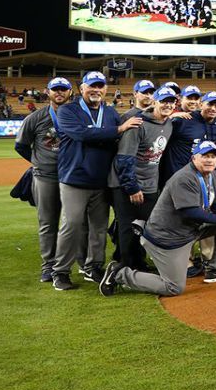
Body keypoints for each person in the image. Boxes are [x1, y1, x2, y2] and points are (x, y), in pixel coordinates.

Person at [98, 141, 216, 297]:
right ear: (194, 158)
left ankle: (215, 269)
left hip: (189, 231)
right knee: (174, 287)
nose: (209, 160)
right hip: (168, 239)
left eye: (213, 156)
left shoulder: (215, 177)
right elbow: (191, 213)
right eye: (204, 156)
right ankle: (119, 274)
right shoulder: (184, 178)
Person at [53, 72, 143, 290]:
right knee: (71, 225)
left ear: (105, 89)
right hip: (74, 179)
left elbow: (121, 138)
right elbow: (81, 134)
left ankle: (93, 266)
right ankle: (60, 271)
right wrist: (117, 129)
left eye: (100, 86)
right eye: (91, 86)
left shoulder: (110, 112)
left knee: (99, 228)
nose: (96, 90)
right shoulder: (68, 110)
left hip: (101, 181)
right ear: (82, 88)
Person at [108, 87, 176, 272]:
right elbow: (124, 159)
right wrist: (132, 187)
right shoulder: (137, 124)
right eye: (163, 101)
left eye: (171, 101)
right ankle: (126, 268)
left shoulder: (169, 123)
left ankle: (138, 262)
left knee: (147, 224)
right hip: (126, 184)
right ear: (155, 101)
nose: (167, 105)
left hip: (150, 184)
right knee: (128, 226)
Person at [14, 77, 74, 282]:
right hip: (45, 177)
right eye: (55, 89)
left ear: (70, 92)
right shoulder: (36, 118)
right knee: (48, 223)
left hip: (72, 177)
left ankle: (75, 264)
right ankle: (48, 266)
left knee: (74, 223)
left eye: (63, 89)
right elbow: (20, 145)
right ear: (47, 92)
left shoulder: (77, 116)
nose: (59, 93)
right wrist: (37, 161)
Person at [162, 91, 216, 184]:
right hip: (176, 177)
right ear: (201, 104)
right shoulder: (183, 120)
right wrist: (170, 117)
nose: (213, 108)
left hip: (201, 179)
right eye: (210, 104)